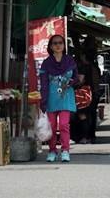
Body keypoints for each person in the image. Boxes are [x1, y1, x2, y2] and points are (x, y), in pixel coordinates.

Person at [38, 34, 78, 162]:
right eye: (55, 43)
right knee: (52, 126)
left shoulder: (70, 61)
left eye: (60, 42)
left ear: (64, 45)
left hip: (65, 97)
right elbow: (43, 83)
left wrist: (70, 82)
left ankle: (65, 150)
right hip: (51, 98)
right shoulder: (46, 63)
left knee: (64, 125)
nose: (58, 45)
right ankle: (52, 150)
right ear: (50, 46)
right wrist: (43, 101)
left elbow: (76, 78)